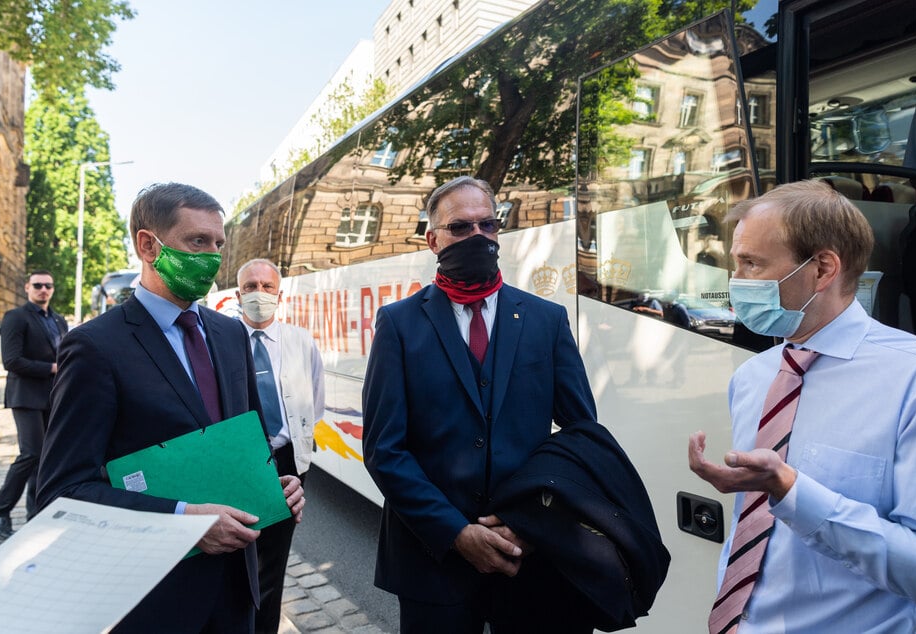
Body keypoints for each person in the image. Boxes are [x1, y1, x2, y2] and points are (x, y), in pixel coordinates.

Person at [36, 183, 305, 633]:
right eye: (198, 242)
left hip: (237, 592)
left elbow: (248, 441)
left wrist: (276, 484)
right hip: (156, 601)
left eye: (219, 244)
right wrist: (182, 521)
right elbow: (63, 491)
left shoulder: (231, 334)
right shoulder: (95, 346)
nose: (213, 257)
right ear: (148, 245)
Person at [362, 176, 600, 633]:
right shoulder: (399, 324)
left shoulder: (545, 320)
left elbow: (580, 436)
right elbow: (383, 450)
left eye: (487, 225)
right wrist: (455, 532)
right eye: (460, 227)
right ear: (433, 239)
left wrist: (532, 523)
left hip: (530, 556)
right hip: (432, 561)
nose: (477, 236)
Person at [688, 180, 916, 633]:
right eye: (736, 264)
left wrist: (793, 491)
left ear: (823, 268)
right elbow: (751, 536)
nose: (737, 283)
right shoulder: (753, 377)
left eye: (752, 264)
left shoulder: (909, 378)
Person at [235, 257, 324, 634]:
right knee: (236, 558)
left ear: (280, 294)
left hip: (287, 460)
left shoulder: (300, 340)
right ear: (238, 295)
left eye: (267, 286)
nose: (259, 293)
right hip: (241, 461)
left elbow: (315, 400)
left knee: (272, 565)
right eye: (250, 286)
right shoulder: (224, 340)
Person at [0, 270, 67, 538]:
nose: (43, 289)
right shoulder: (16, 317)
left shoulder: (58, 320)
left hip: (53, 397)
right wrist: (52, 368)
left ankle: (36, 515)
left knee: (46, 458)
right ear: (27, 288)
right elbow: (11, 361)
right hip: (25, 397)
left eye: (48, 285)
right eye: (38, 285)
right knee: (31, 453)